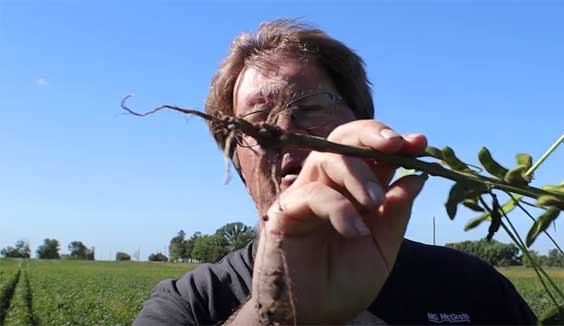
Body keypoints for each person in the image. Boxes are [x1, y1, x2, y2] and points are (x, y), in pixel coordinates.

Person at [134, 20, 536, 325]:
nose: (285, 133)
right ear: (237, 159)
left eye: (310, 108)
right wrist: (275, 314)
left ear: (363, 125)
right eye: (255, 119)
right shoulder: (190, 302)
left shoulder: (471, 288)